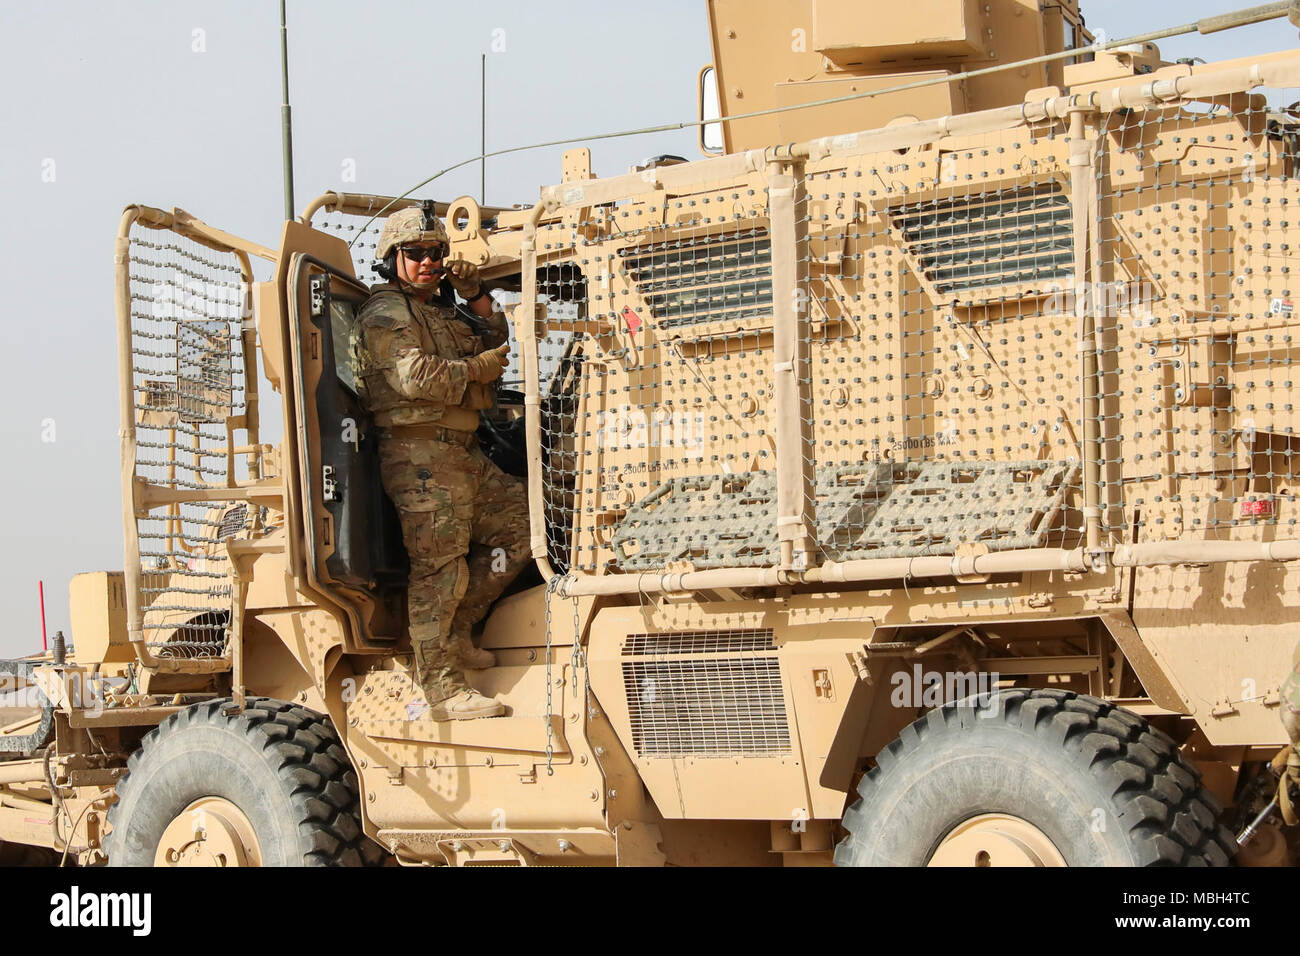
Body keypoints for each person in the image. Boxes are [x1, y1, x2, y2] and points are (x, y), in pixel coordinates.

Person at [356, 205, 530, 720]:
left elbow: (495, 338)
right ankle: (441, 689)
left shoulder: (436, 309)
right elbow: (413, 377)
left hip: (460, 452)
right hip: (419, 455)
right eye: (416, 254)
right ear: (394, 259)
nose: (429, 262)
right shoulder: (387, 312)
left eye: (436, 253)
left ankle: (456, 632)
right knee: (439, 568)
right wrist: (474, 369)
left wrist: (476, 295)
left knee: (523, 526)